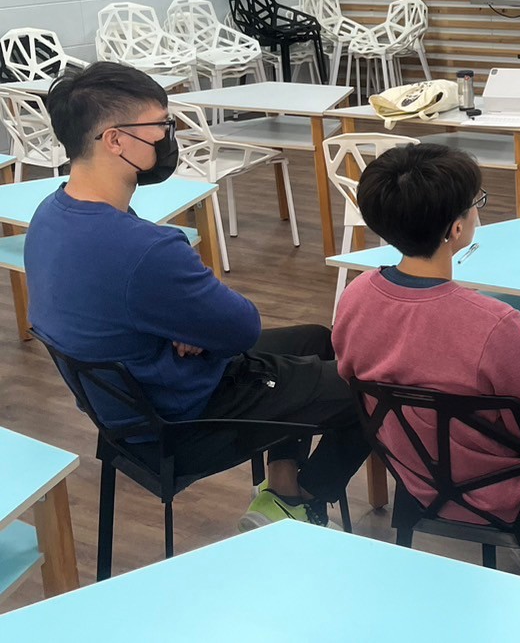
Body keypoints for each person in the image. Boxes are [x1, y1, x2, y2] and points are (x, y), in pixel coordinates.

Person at [25, 62, 368, 530]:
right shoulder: (145, 249)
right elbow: (241, 327)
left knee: (315, 339)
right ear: (115, 140)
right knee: (373, 387)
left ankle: (283, 488)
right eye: (161, 126)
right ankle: (308, 496)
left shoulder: (49, 215)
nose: (170, 138)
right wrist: (194, 331)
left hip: (124, 411)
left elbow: (126, 307)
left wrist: (185, 330)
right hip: (181, 421)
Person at [332, 143, 520, 603]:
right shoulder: (494, 323)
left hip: (417, 474)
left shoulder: (356, 296)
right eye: (475, 202)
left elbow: (353, 378)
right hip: (509, 489)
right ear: (457, 228)